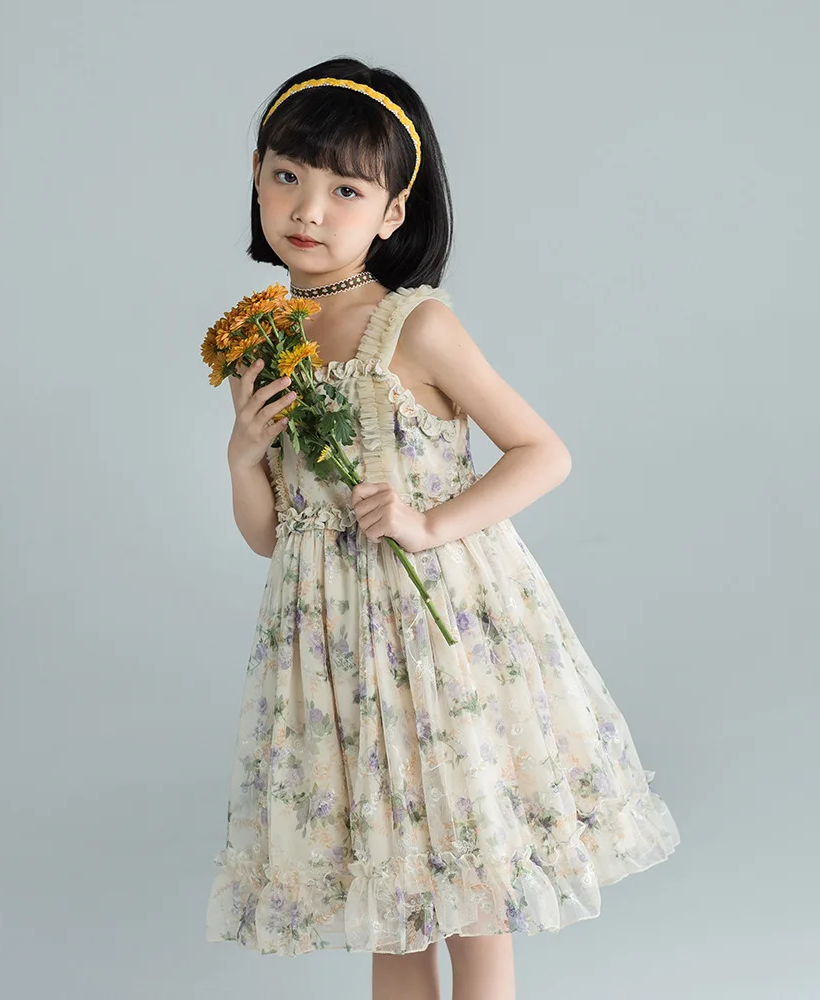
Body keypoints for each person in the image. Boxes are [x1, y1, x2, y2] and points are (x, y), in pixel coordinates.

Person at [205, 56, 681, 1000]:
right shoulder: (261, 343)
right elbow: (270, 535)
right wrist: (241, 456)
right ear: (256, 175)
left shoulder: (414, 327)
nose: (309, 209)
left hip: (437, 644)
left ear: (393, 213)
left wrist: (427, 523)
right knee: (393, 899)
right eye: (287, 176)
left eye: (346, 190)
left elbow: (542, 451)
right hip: (334, 648)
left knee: (471, 894)